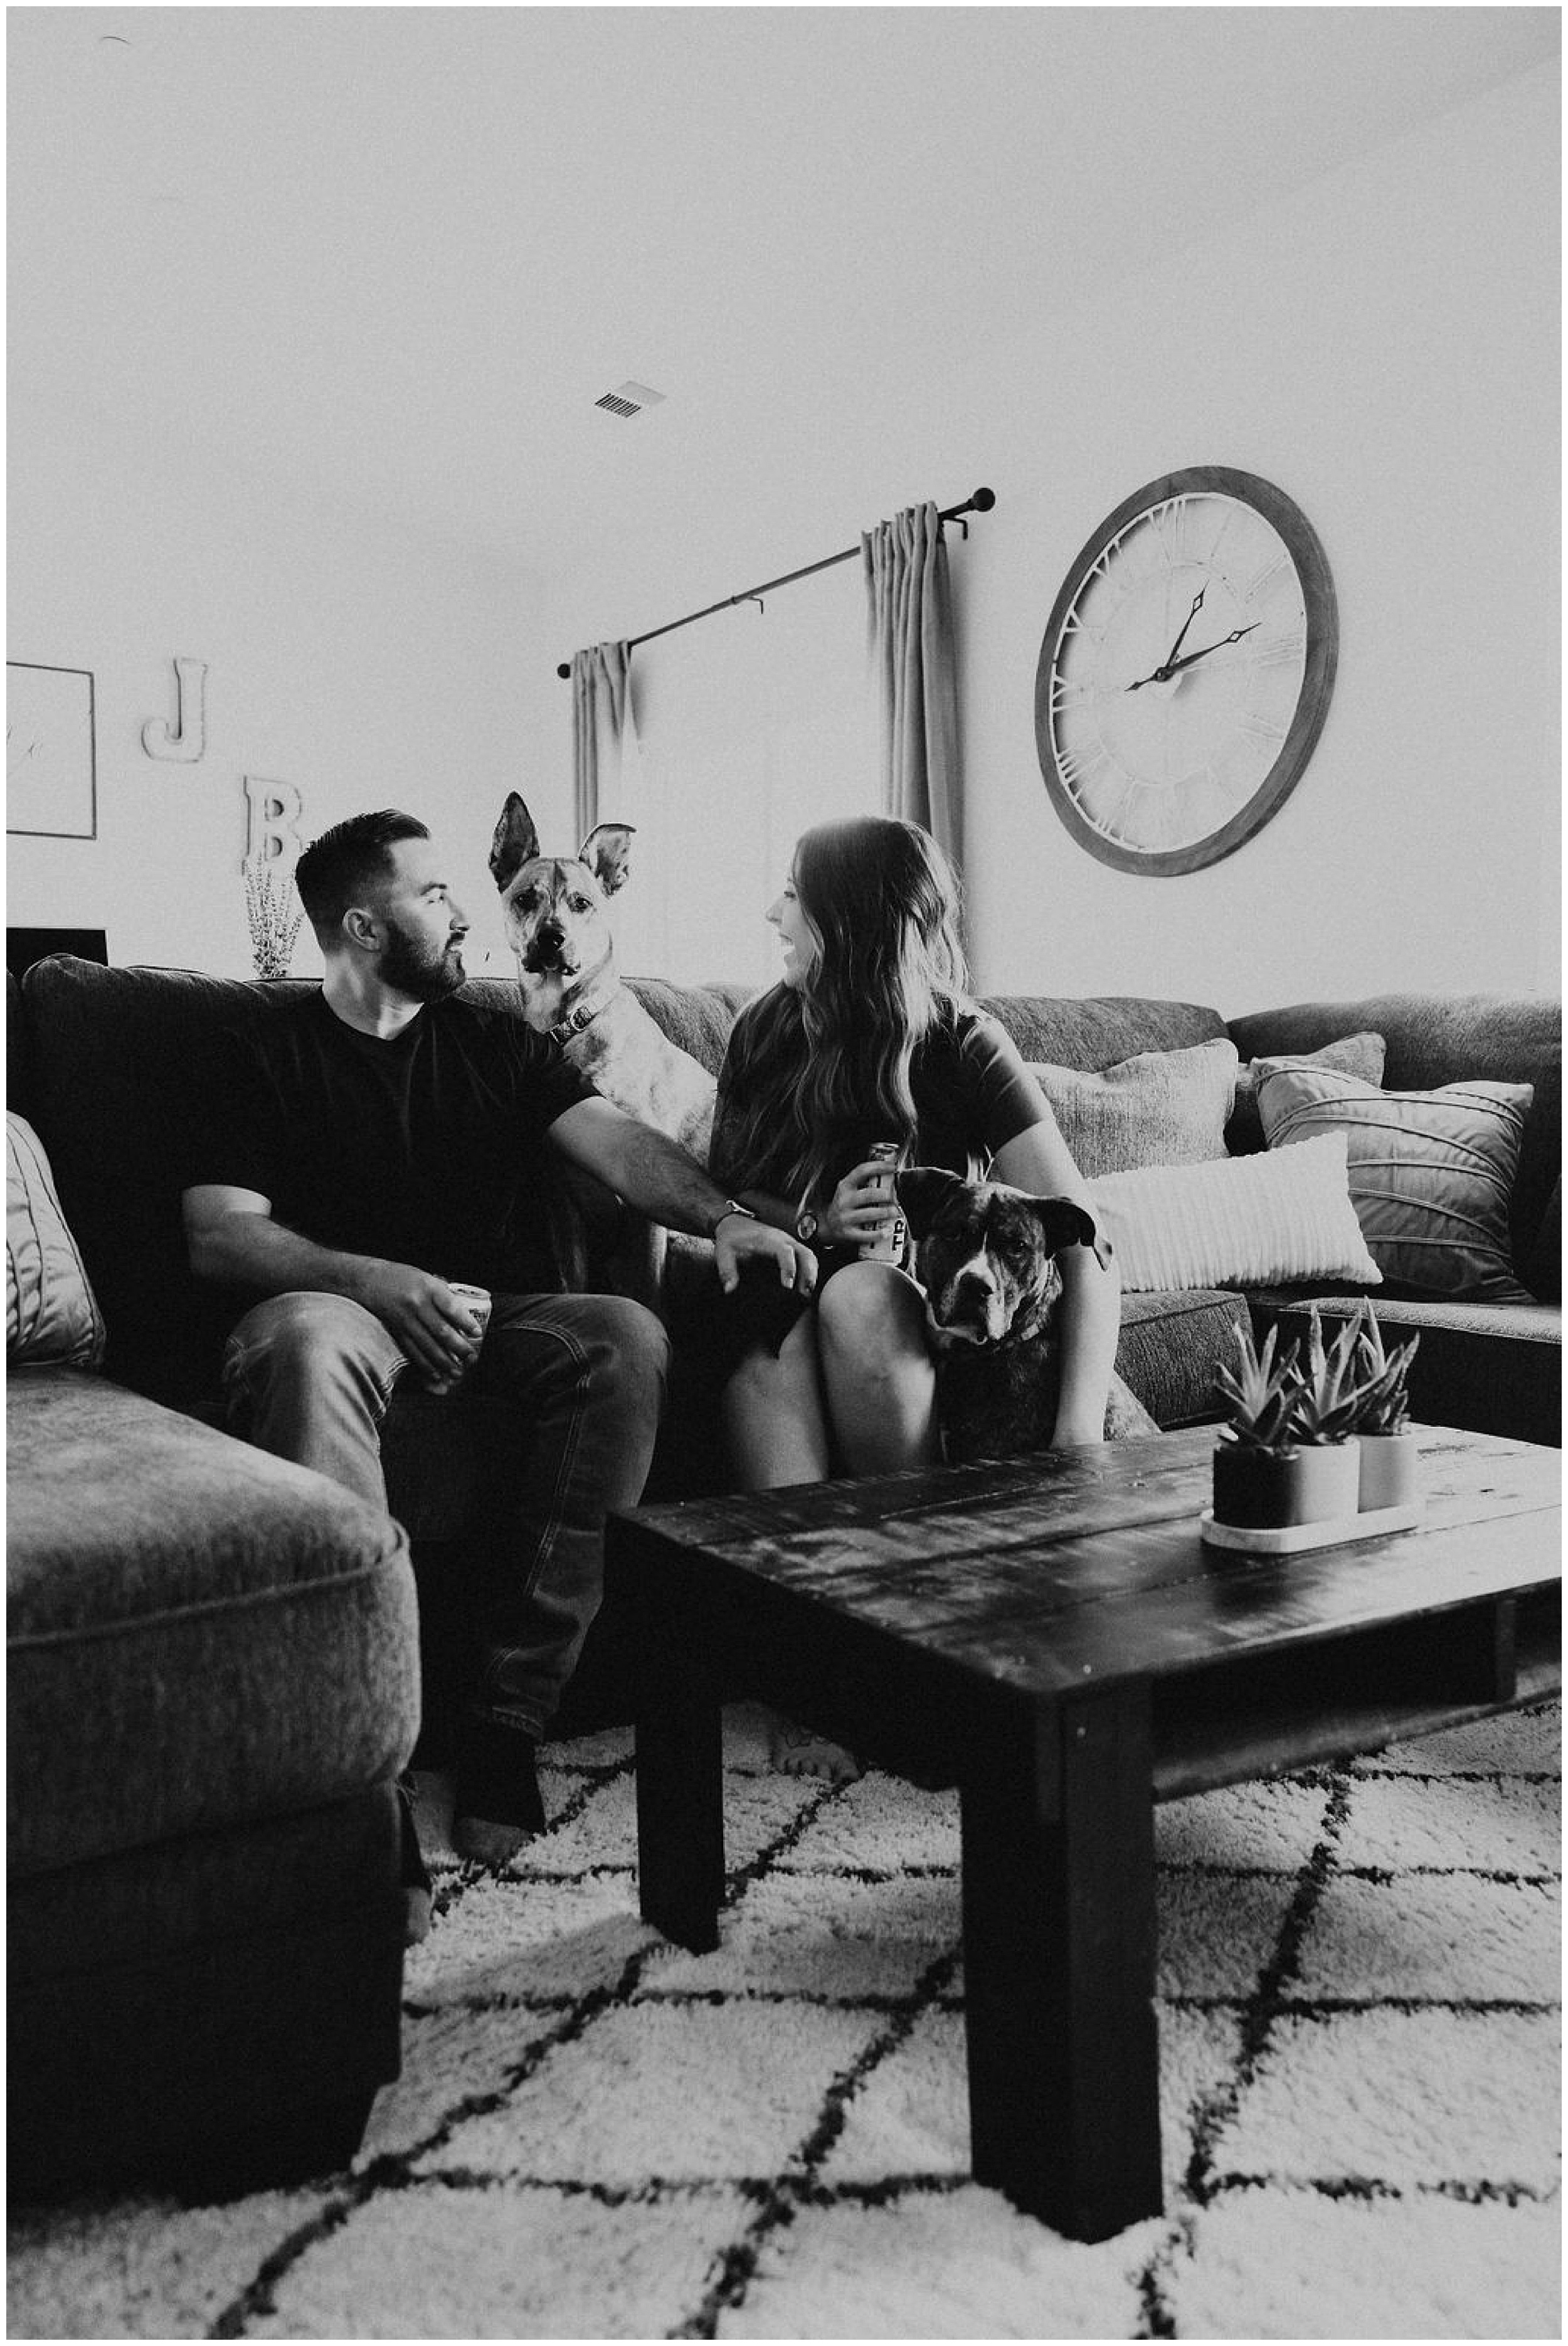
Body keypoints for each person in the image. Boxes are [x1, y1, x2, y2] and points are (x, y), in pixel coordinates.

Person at [183, 810, 813, 1923]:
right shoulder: (254, 1049)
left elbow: (618, 1144)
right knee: (312, 1341)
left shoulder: (497, 1043)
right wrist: (382, 1287)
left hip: (488, 1315)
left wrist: (724, 1219)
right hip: (329, 1315)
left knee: (624, 1334)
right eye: (435, 896)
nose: (467, 910)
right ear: (365, 927)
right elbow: (221, 1232)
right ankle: (363, 1779)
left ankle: (506, 1722)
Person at [709, 815, 1122, 1490]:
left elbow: (1086, 1237)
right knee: (764, 1290)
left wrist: (1075, 1436)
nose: (772, 913)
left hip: (898, 1317)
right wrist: (815, 1220)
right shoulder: (761, 1030)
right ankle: (810, 1560)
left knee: (862, 1295)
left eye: (791, 894)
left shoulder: (963, 1042)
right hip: (779, 1294)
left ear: (851, 920)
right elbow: (722, 1193)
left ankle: (921, 1542)